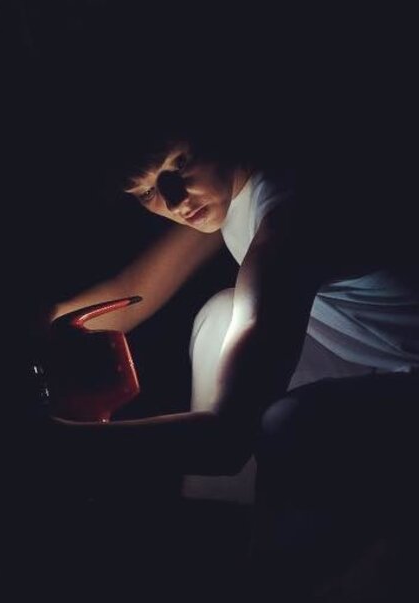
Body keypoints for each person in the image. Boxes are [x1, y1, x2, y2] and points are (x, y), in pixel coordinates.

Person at [43, 124, 419, 598]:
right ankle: (224, 529)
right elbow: (130, 294)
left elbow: (226, 441)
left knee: (290, 422)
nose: (174, 200)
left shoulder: (289, 220)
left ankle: (279, 573)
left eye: (180, 165)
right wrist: (26, 333)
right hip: (382, 359)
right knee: (222, 317)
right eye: (146, 192)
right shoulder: (231, 194)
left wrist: (54, 444)